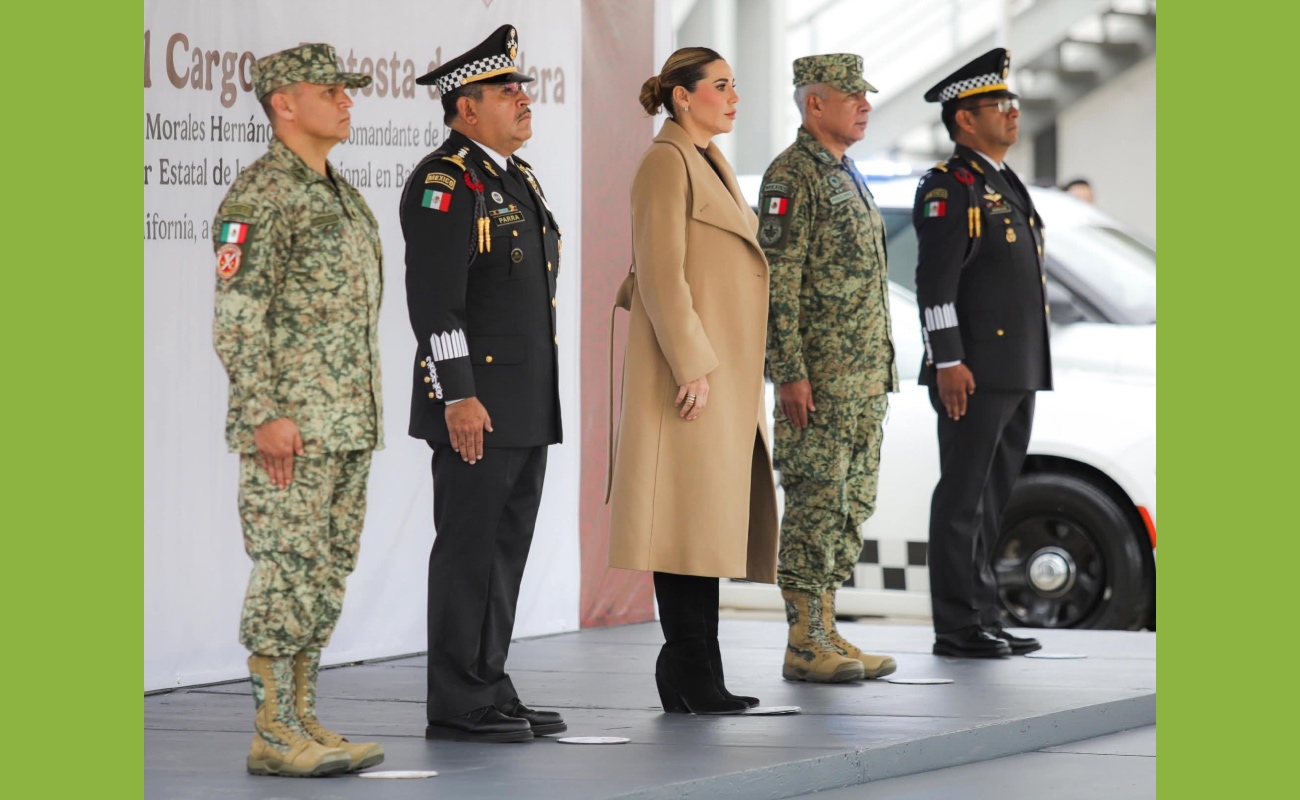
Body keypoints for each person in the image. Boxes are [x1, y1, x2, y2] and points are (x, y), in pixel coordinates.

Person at [211, 43, 385, 777]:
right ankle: (273, 731)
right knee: (285, 570)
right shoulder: (261, 195)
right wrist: (263, 414)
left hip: (345, 423)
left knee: (325, 572)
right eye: (330, 90)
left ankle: (304, 717)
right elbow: (238, 316)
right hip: (291, 427)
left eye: (347, 90)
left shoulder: (339, 193)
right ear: (284, 103)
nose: (347, 101)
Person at [401, 25, 565, 743]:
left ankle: (489, 683)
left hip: (522, 405)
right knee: (469, 552)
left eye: (521, 88)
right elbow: (437, 303)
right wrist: (458, 394)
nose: (523, 100)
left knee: (505, 552)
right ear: (466, 108)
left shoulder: (516, 177)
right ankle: (457, 699)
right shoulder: (445, 181)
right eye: (505, 91)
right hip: (476, 404)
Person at [607, 47, 781, 715]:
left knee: (701, 527)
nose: (733, 97)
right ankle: (687, 670)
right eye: (720, 86)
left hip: (720, 374)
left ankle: (698, 672)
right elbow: (660, 273)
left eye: (735, 85)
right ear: (682, 96)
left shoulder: (708, 160)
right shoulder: (666, 162)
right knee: (682, 525)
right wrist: (692, 366)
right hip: (690, 375)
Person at [757, 55, 899, 685]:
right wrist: (789, 372)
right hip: (818, 383)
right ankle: (803, 641)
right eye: (851, 96)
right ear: (815, 103)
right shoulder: (792, 174)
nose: (865, 105)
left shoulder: (845, 170)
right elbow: (776, 281)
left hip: (862, 380)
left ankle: (827, 628)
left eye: (865, 96)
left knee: (849, 507)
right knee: (815, 506)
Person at [912, 48, 1052, 658]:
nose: (1012, 112)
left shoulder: (1001, 180)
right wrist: (947, 360)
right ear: (965, 119)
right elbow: (934, 283)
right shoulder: (951, 186)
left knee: (992, 499)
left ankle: (984, 614)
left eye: (1011, 102)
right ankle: (957, 626)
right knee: (963, 497)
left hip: (1013, 368)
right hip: (972, 370)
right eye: (999, 104)